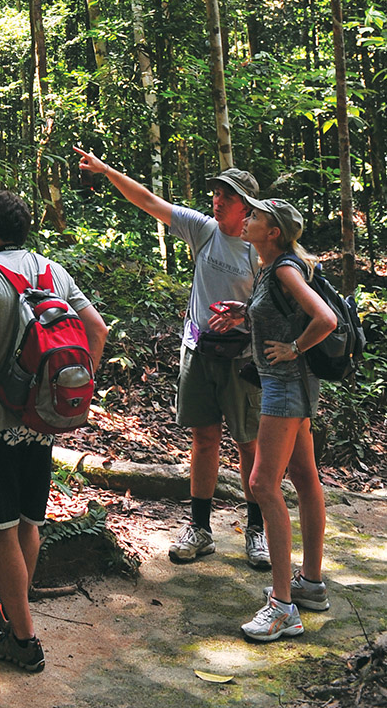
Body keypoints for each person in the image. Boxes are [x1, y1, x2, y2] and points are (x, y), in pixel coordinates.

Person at [74, 147, 269, 569]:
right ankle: (200, 528)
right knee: (203, 440)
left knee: (248, 444)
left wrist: (246, 319)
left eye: (227, 197)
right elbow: (149, 201)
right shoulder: (203, 229)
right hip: (198, 351)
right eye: (215, 192)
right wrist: (107, 170)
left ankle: (257, 531)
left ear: (247, 207)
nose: (216, 201)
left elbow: (276, 310)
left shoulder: (261, 250)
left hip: (242, 359)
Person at [0, 191, 107, 673]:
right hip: (41, 420)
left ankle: (23, 639)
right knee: (29, 522)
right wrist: (78, 387)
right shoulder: (52, 271)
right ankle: (11, 612)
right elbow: (96, 329)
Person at [208, 197, 336, 641]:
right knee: (304, 477)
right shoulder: (272, 268)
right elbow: (284, 313)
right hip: (292, 388)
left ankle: (282, 607)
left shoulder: (284, 268)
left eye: (256, 217)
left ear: (274, 231)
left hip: (284, 388)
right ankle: (311, 584)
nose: (247, 220)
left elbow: (326, 318)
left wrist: (294, 348)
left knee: (263, 485)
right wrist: (245, 313)